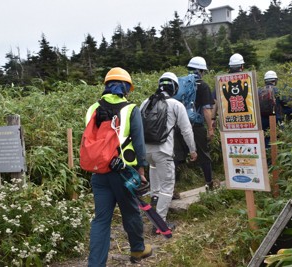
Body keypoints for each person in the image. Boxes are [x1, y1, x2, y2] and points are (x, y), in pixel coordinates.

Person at [86, 67, 152, 266]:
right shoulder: (131, 109)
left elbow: (91, 139)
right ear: (125, 88)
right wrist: (141, 170)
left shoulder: (92, 109)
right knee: (130, 211)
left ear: (106, 86)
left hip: (99, 173)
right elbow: (139, 143)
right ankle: (138, 250)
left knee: (101, 220)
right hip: (122, 172)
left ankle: (95, 264)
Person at [140, 71, 197, 234]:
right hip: (163, 152)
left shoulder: (146, 102)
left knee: (157, 185)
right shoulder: (176, 105)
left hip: (146, 152)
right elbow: (187, 130)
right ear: (174, 88)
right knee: (167, 187)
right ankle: (160, 224)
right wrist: (192, 150)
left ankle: (155, 207)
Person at [174, 56, 215, 190]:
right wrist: (210, 128)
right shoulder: (203, 86)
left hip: (179, 125)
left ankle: (171, 189)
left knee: (177, 157)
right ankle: (209, 183)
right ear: (201, 71)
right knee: (203, 154)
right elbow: (206, 110)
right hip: (196, 126)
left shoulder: (180, 83)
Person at [258, 70, 282, 148]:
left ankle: (266, 154)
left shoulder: (259, 90)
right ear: (275, 80)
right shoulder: (278, 90)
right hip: (276, 118)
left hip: (262, 119)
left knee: (265, 137)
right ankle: (274, 156)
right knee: (277, 137)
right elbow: (285, 104)